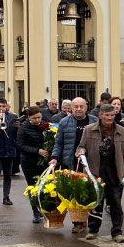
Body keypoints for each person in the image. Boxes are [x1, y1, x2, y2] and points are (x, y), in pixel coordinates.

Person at [77, 104, 124, 242]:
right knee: (96, 203)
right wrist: (81, 152)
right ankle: (93, 230)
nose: (110, 118)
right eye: (107, 115)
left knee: (115, 204)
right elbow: (80, 147)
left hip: (115, 172)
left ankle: (117, 232)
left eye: (112, 115)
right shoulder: (89, 130)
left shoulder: (122, 131)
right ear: (100, 115)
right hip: (96, 172)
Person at [50, 99, 98, 233]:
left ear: (86, 107)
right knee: (73, 194)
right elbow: (58, 143)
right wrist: (54, 158)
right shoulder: (64, 122)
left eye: (81, 106)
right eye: (75, 106)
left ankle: (87, 220)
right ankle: (77, 222)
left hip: (90, 163)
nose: (78, 109)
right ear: (70, 108)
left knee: (89, 192)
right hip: (70, 162)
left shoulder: (94, 121)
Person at [17, 107, 50, 223]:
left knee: (45, 185)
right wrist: (37, 150)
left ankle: (45, 209)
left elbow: (50, 139)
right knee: (32, 187)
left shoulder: (46, 125)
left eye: (39, 117)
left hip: (44, 161)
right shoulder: (23, 128)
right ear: (28, 117)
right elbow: (20, 145)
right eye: (34, 118)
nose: (37, 120)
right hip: (28, 161)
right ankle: (35, 212)